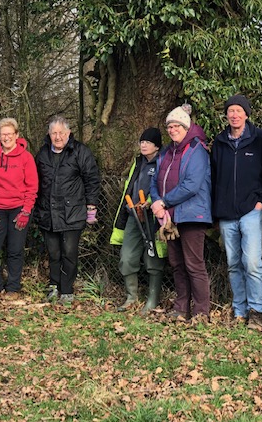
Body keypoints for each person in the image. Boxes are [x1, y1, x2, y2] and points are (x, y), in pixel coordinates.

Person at [211, 94, 262, 330]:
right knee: (233, 263)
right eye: (230, 111)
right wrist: (216, 210)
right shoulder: (219, 143)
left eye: (239, 110)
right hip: (227, 213)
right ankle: (239, 309)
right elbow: (214, 177)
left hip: (251, 211)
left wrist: (261, 203)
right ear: (226, 115)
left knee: (252, 263)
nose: (234, 115)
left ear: (247, 114)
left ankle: (256, 311)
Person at [150, 103, 212, 323]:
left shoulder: (197, 149)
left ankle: (201, 312)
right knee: (176, 263)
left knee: (194, 264)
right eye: (169, 126)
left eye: (176, 125)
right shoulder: (167, 151)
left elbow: (192, 185)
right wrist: (156, 201)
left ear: (186, 127)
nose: (172, 129)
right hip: (169, 217)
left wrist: (164, 201)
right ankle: (181, 308)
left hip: (192, 215)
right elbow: (154, 179)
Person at [34, 116, 100, 304]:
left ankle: (67, 289)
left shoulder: (80, 152)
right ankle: (54, 285)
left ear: (68, 133)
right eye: (54, 133)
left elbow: (92, 179)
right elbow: (36, 181)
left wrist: (91, 206)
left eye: (61, 133)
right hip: (48, 213)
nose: (57, 136)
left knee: (69, 253)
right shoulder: (43, 154)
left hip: (73, 213)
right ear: (49, 134)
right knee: (53, 252)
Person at [0, 118, 38, 299]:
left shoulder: (26, 158)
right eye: (3, 134)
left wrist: (26, 211)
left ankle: (13, 287)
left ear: (16, 135)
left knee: (15, 249)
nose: (6, 137)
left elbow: (32, 187)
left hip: (18, 210)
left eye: (10, 134)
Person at [110, 127, 167, 314]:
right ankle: (131, 297)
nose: (143, 145)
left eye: (148, 142)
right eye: (142, 141)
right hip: (134, 216)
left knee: (153, 259)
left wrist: (150, 203)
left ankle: (152, 300)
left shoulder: (163, 162)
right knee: (126, 257)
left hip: (154, 218)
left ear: (157, 146)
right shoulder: (138, 163)